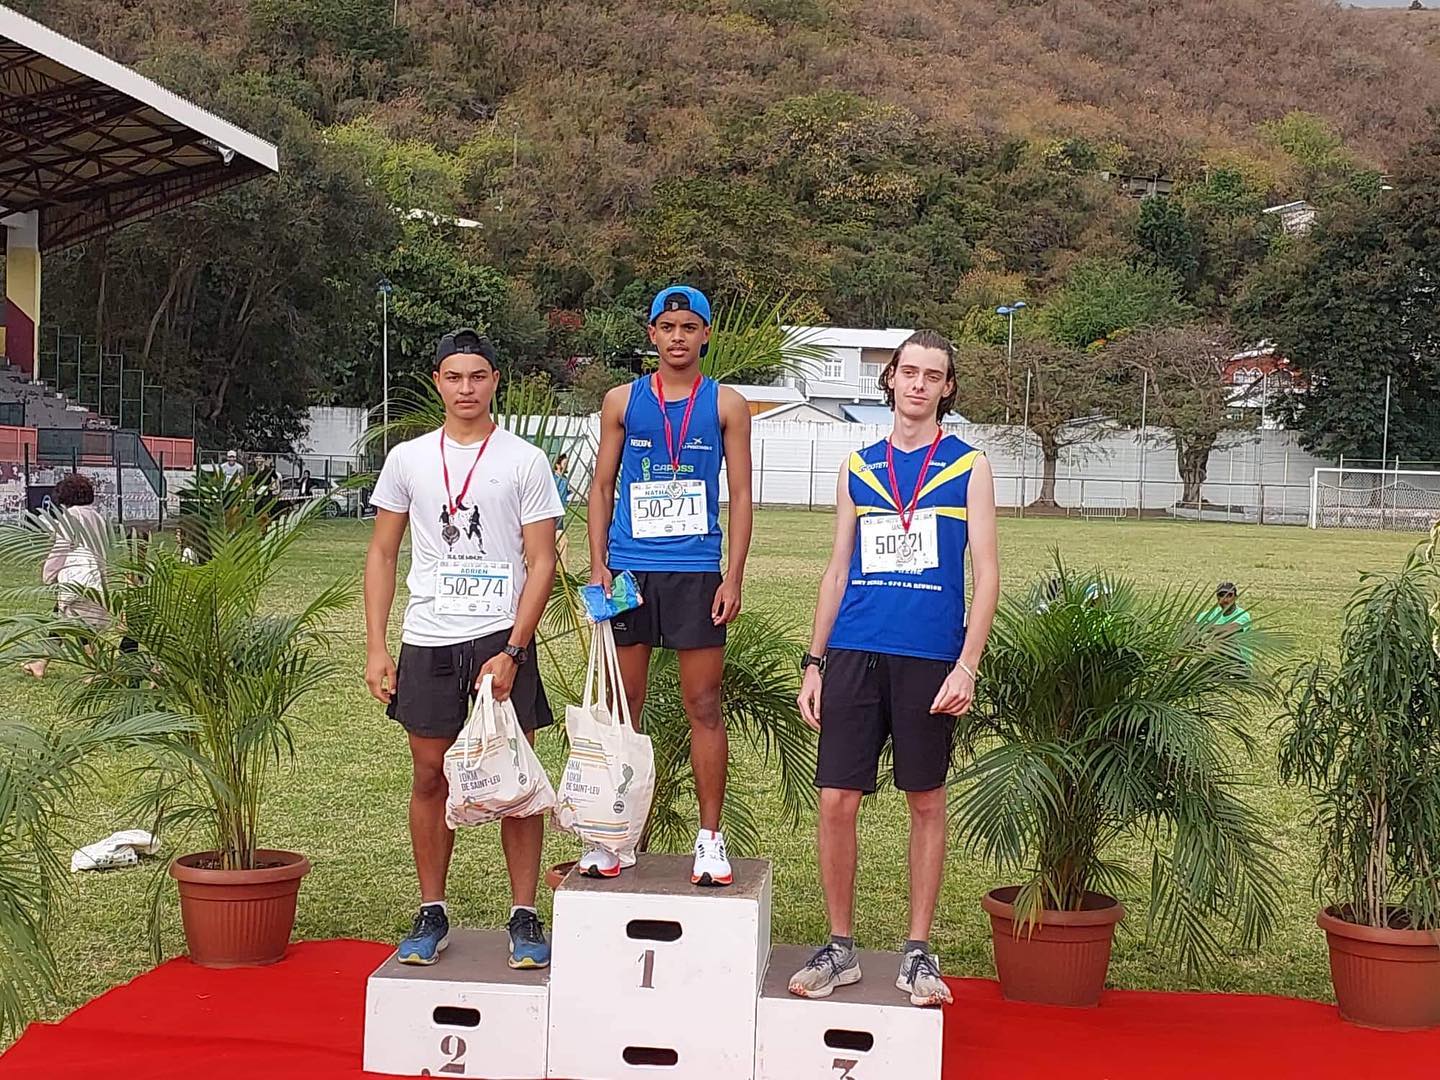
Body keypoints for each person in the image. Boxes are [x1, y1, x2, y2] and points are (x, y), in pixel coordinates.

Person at [789, 329, 999, 1008]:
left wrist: (967, 664)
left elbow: (988, 574)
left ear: (946, 388)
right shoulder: (860, 465)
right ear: (890, 380)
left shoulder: (969, 466)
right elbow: (837, 567)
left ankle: (916, 952)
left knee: (926, 801)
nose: (917, 384)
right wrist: (814, 661)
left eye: (932, 376)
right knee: (836, 801)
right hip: (854, 649)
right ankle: (841, 947)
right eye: (908, 372)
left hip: (931, 658)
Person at [364, 328, 563, 969]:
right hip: (428, 638)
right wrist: (376, 646)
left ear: (494, 380)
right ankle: (432, 910)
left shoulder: (525, 461)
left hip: (498, 640)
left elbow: (542, 562)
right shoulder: (408, 459)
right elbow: (383, 552)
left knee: (516, 782)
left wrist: (514, 648)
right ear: (438, 383)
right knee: (428, 775)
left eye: (478, 376)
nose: (466, 388)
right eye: (454, 377)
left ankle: (524, 916)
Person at [586, 285, 753, 886]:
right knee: (623, 708)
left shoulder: (728, 405)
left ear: (706, 334)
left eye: (689, 326)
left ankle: (710, 839)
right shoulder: (621, 402)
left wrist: (732, 575)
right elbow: (601, 486)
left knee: (703, 705)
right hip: (630, 570)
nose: (678, 336)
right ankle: (614, 836)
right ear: (652, 335)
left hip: (696, 570)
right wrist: (599, 563)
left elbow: (740, 496)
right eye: (667, 326)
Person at [24, 472, 109, 679]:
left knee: (78, 625)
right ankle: (41, 662)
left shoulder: (70, 517)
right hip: (94, 576)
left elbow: (60, 550)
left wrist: (48, 574)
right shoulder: (98, 517)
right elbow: (104, 550)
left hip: (75, 578)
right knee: (60, 618)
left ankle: (99, 670)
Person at [1197, 580, 1253, 663]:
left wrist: (1205, 627)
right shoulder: (1212, 614)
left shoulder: (1243, 615)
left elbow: (1230, 630)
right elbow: (1192, 626)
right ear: (1217, 598)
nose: (1225, 599)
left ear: (1235, 597)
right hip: (1217, 661)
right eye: (1222, 595)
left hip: (1239, 662)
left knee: (1223, 639)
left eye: (1229, 595)